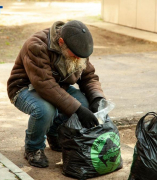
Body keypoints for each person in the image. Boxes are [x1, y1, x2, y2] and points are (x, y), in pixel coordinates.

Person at [7, 20, 105, 168]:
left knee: (85, 104)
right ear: (61, 42)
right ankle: (33, 148)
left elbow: (89, 77)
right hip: (24, 88)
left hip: (57, 87)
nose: (78, 59)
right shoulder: (36, 46)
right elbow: (45, 85)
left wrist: (97, 97)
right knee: (46, 110)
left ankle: (53, 134)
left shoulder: (78, 48)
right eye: (76, 55)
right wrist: (77, 109)